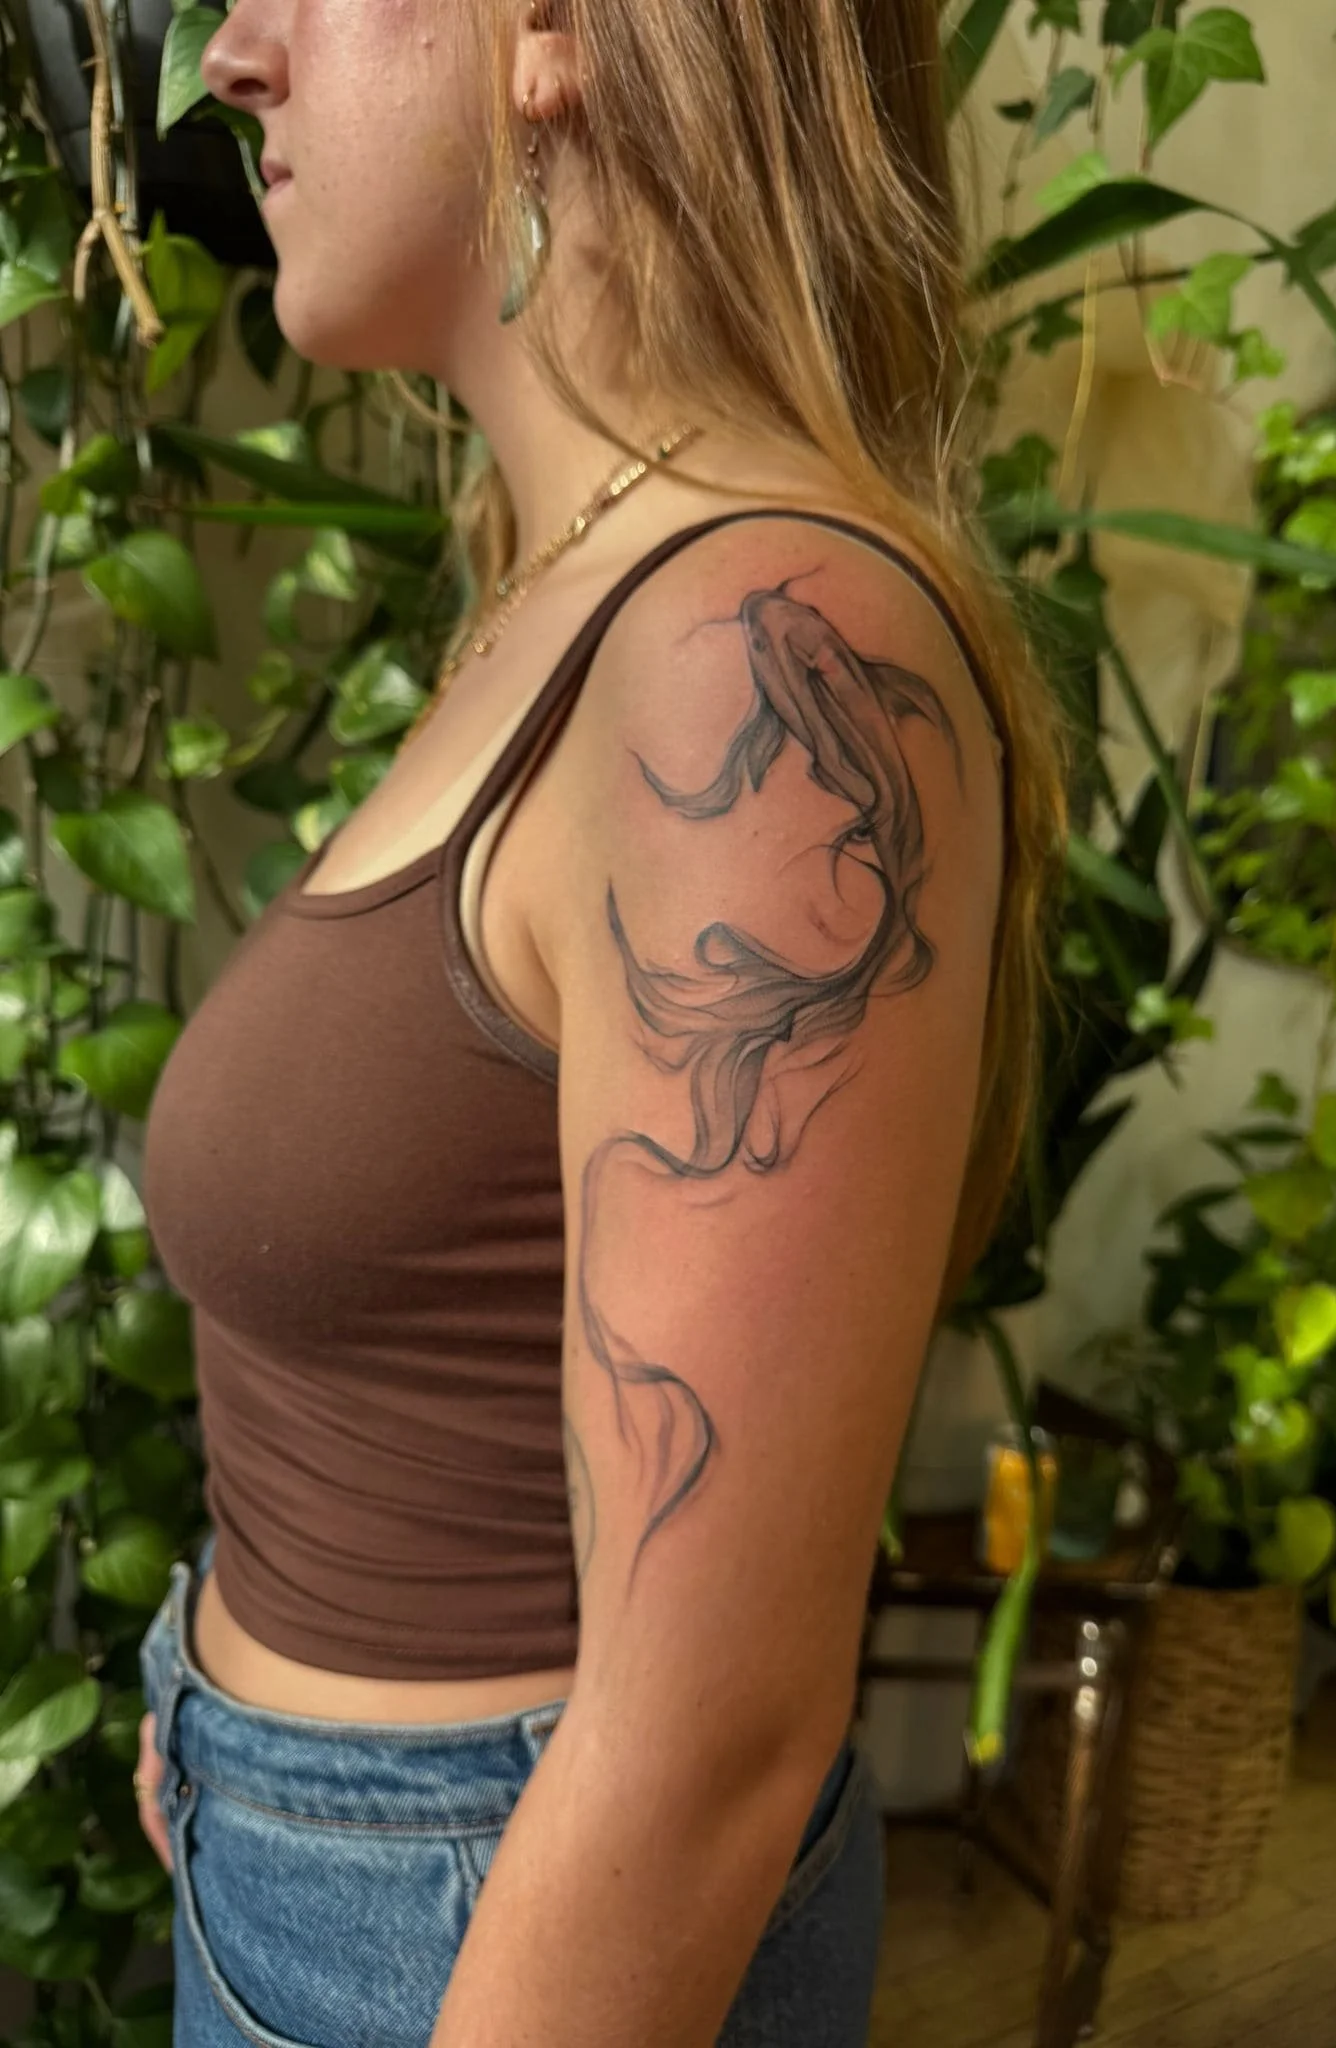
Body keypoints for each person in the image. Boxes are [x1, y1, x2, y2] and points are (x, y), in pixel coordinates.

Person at [133, 1, 1065, 2042]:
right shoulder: (562, 591)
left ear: (555, 30)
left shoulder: (760, 647)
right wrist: (238, 1732)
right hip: (317, 1870)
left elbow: (704, 1750)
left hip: (477, 1938)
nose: (231, 52)